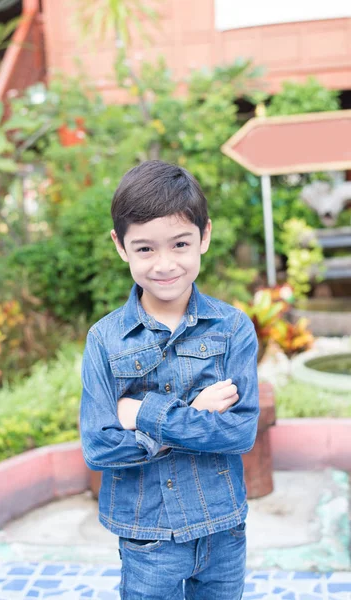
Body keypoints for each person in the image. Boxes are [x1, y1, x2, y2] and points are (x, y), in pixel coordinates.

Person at [80, 160, 259, 599]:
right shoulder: (105, 339)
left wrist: (144, 413)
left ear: (205, 236)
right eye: (145, 249)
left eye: (180, 244)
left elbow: (240, 432)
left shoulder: (233, 328)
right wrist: (195, 416)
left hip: (222, 529)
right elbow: (98, 446)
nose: (165, 264)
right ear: (120, 246)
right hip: (147, 535)